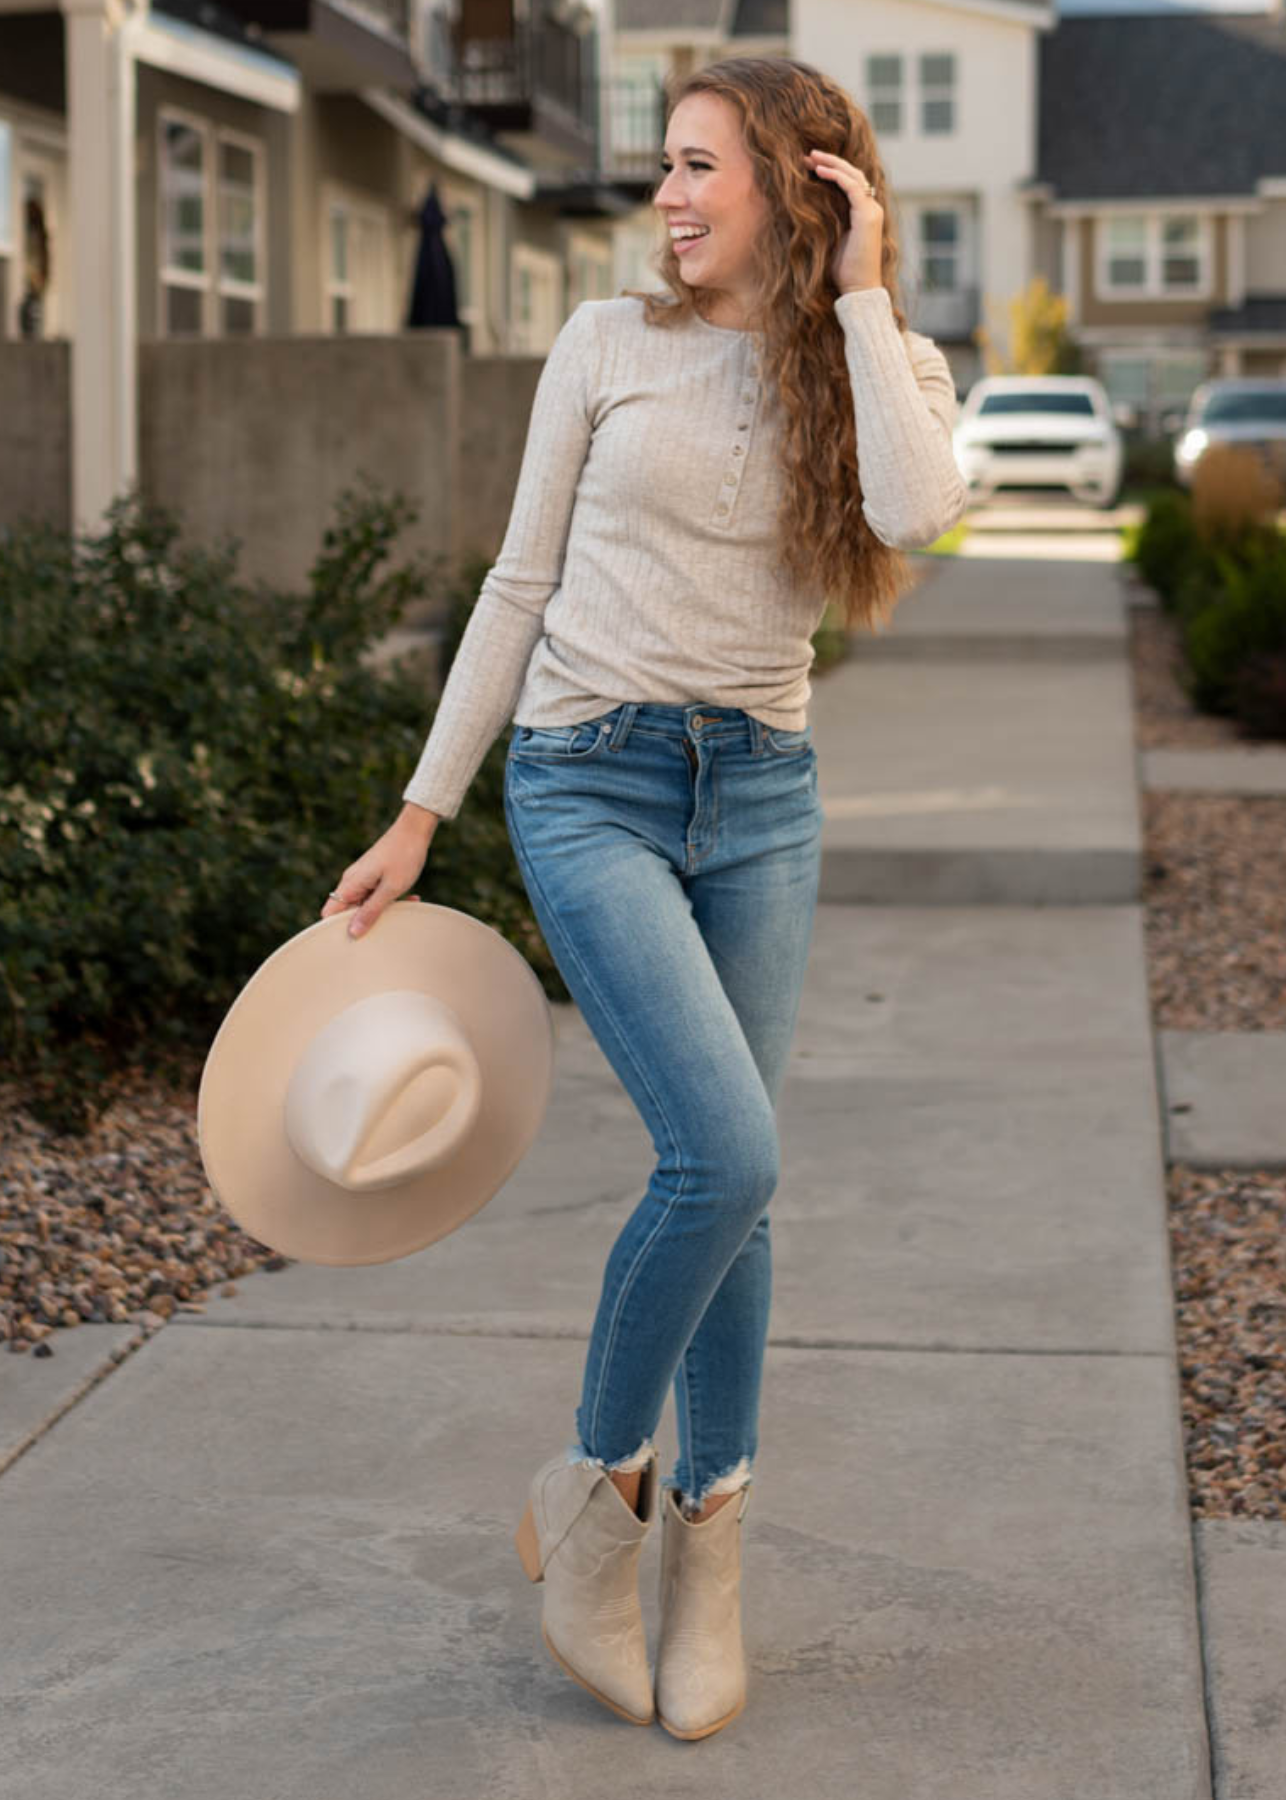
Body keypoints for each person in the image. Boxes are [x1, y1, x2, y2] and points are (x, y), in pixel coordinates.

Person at [320, 54, 966, 1740]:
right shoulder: (606, 347)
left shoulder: (874, 362)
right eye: (664, 168)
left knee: (733, 1187)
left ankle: (710, 1543)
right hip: (586, 781)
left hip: (760, 798)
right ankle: (601, 1503)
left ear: (798, 183)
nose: (670, 198)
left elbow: (918, 511)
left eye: (701, 167)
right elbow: (517, 581)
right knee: (728, 1152)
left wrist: (862, 296)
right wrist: (420, 811)